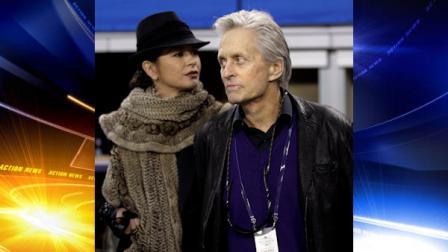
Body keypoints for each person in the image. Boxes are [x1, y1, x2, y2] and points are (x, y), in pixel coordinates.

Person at [194, 10, 352, 252]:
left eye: (239, 59)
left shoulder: (330, 128)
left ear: (275, 68)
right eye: (222, 61)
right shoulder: (210, 136)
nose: (227, 72)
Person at [98, 11, 227, 252]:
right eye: (179, 54)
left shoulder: (217, 120)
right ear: (150, 68)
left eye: (194, 52)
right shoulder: (127, 128)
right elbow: (110, 202)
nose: (192, 61)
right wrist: (117, 216)